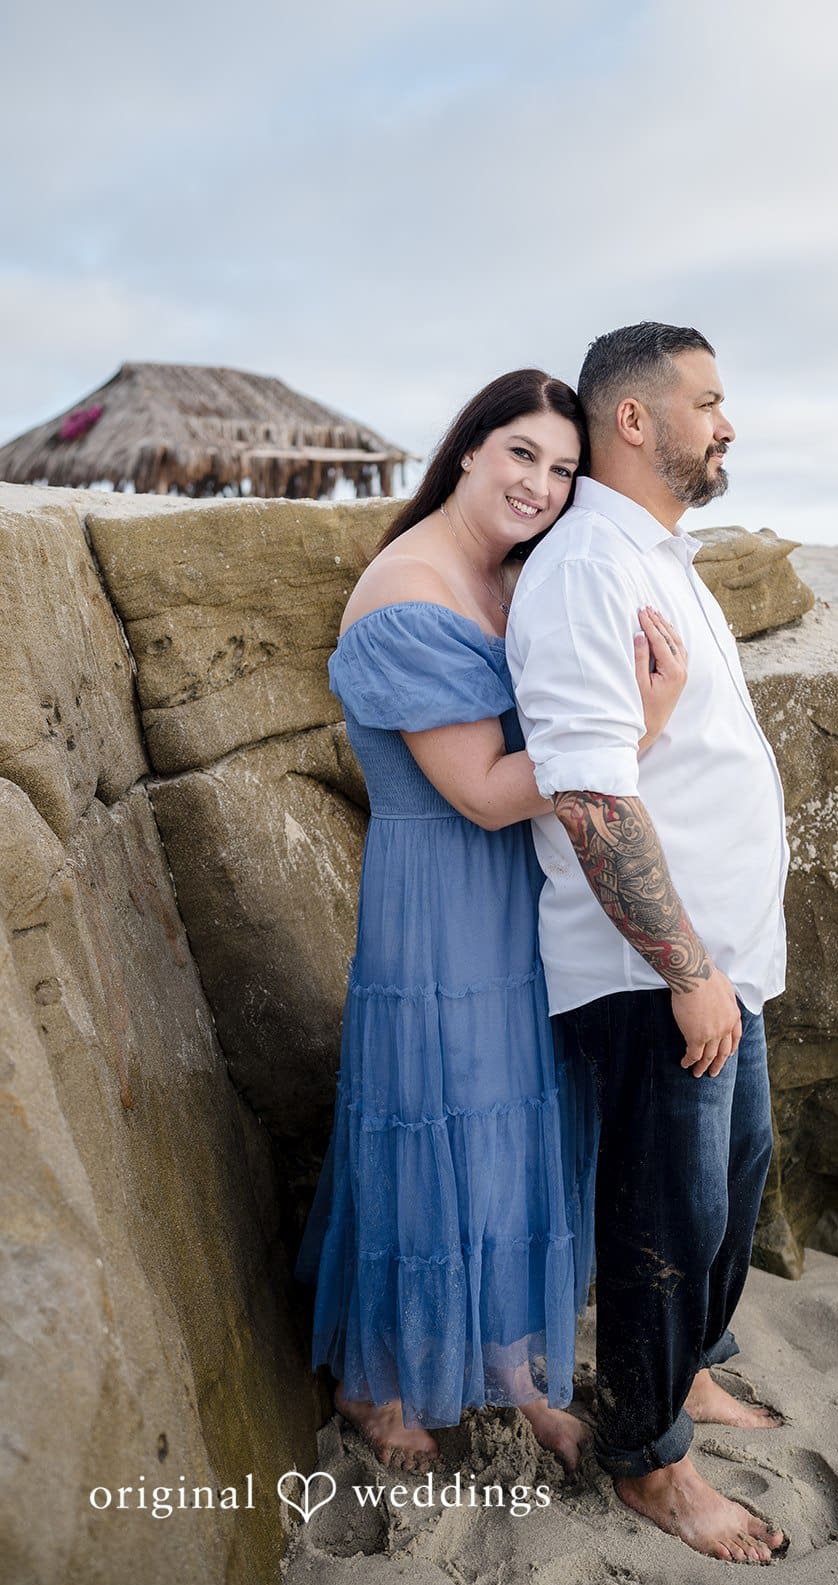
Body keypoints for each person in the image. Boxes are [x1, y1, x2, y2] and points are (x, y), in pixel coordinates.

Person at [295, 368, 688, 1474]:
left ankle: (511, 1373)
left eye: (563, 469)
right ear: (467, 448)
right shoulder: (406, 590)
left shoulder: (506, 573)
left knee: (515, 1130)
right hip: (441, 899)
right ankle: (376, 1382)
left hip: (511, 890)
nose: (541, 483)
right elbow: (475, 788)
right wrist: (634, 733)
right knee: (440, 1124)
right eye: (522, 452)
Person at [505, 324, 791, 1564]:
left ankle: (687, 1382)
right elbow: (591, 797)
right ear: (635, 419)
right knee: (664, 1221)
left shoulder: (655, 553)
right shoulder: (583, 567)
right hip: (648, 967)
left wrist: (715, 962)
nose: (726, 423)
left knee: (732, 1185)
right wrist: (682, 971)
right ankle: (646, 1458)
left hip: (717, 954)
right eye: (708, 401)